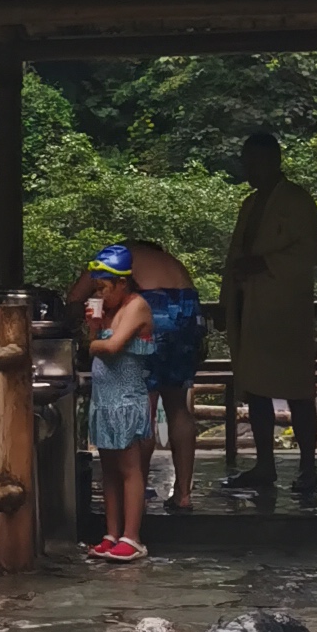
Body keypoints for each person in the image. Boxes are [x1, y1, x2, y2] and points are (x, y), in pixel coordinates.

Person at [220, 128, 317, 496]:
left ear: (273, 161)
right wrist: (225, 302)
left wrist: (265, 263)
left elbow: (311, 252)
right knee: (256, 391)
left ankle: (308, 469)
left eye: (254, 162)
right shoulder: (250, 204)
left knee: (297, 391)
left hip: (285, 312)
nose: (249, 169)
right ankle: (265, 465)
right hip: (250, 309)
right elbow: (235, 257)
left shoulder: (296, 200)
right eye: (246, 163)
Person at [79, 242, 156, 561]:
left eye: (104, 288)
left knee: (129, 468)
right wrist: (94, 327)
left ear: (123, 282)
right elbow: (95, 344)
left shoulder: (136, 305)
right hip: (105, 400)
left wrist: (95, 342)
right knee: (108, 469)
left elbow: (112, 348)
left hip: (126, 399)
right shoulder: (107, 310)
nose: (100, 294)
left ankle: (132, 536)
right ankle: (111, 533)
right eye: (96, 288)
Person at [121, 233, 209, 509]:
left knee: (145, 407)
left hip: (152, 313)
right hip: (187, 316)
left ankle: (137, 490)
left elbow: (76, 297)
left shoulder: (118, 256)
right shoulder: (170, 263)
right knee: (177, 405)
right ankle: (183, 494)